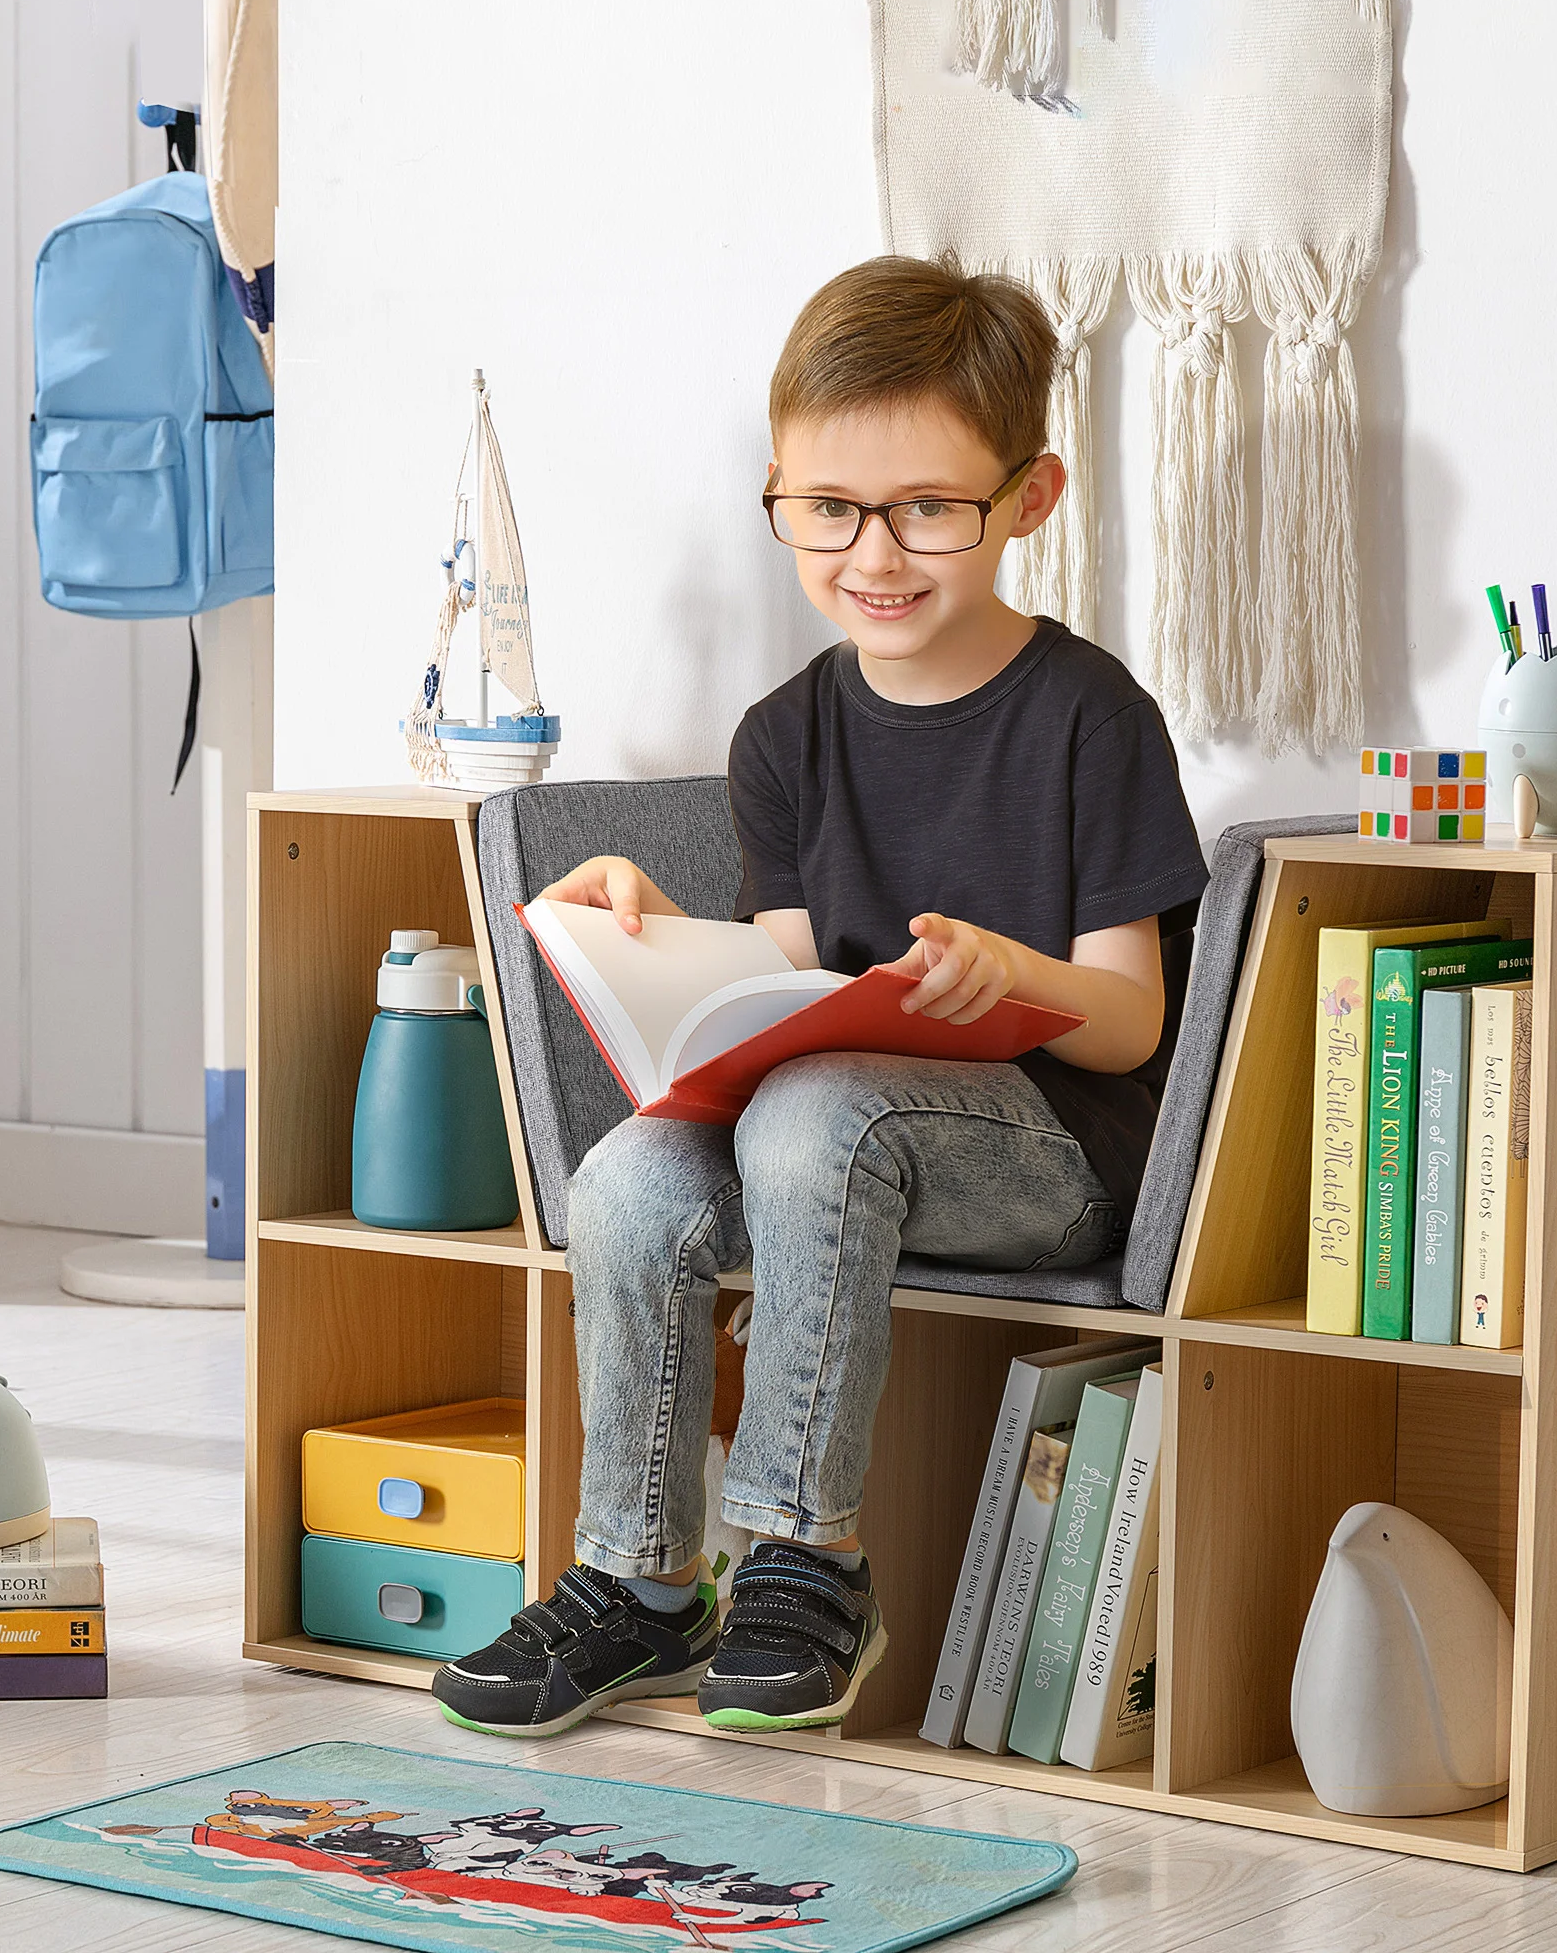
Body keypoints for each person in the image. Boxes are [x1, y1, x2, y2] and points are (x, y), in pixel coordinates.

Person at [432, 255, 1207, 1741]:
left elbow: (1132, 1022)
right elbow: (789, 978)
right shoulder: (783, 732)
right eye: (829, 510)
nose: (877, 552)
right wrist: (663, 936)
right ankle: (642, 1588)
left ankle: (805, 1557)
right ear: (781, 495)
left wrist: (1016, 976)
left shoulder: (1090, 716)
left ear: (1027, 499)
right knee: (636, 1176)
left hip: (1048, 1164)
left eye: (928, 508)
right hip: (830, 1139)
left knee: (821, 1112)